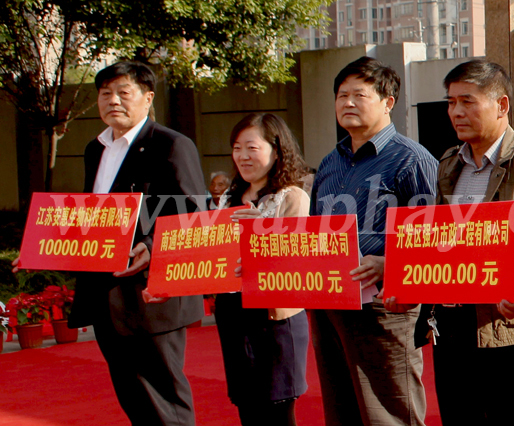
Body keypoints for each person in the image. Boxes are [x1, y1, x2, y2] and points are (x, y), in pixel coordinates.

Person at [12, 61, 207, 425]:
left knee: (165, 402)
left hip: (151, 297)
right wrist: (41, 248)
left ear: (147, 98)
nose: (113, 100)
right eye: (105, 94)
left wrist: (151, 245)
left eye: (123, 92)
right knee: (134, 398)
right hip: (107, 297)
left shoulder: (171, 145)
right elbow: (93, 218)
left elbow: (195, 213)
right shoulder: (95, 148)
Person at [394, 59, 514, 426]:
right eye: (451, 102)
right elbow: (436, 241)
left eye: (467, 101)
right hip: (450, 324)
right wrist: (408, 283)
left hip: (507, 326)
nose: (456, 112)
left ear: (501, 105)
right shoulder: (448, 164)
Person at [309, 56, 437, 426]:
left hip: (384, 307)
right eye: (341, 95)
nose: (347, 103)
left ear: (388, 102)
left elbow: (434, 238)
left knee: (389, 414)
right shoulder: (330, 163)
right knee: (342, 410)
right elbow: (314, 231)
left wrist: (390, 265)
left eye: (359, 95)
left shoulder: (411, 160)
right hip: (331, 301)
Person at [214, 113, 310, 426]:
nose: (243, 156)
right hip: (233, 313)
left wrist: (263, 233)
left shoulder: (291, 197)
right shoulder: (228, 197)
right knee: (247, 406)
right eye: (237, 148)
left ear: (277, 150)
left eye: (252, 148)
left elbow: (298, 257)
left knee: (277, 410)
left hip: (273, 319)